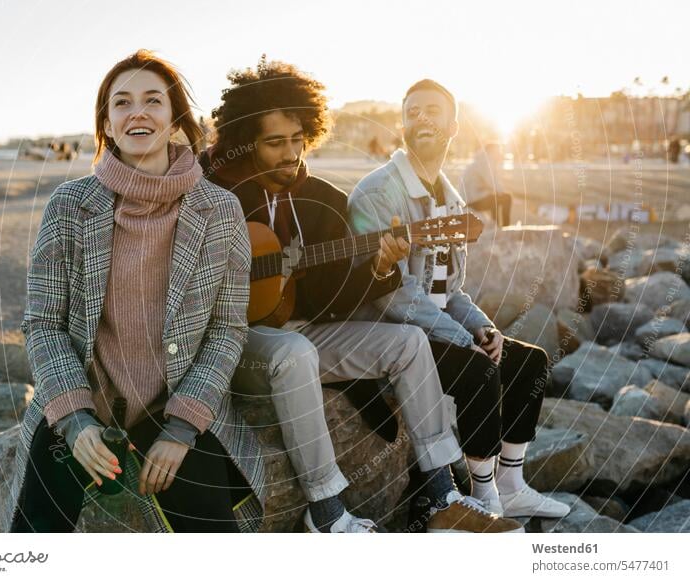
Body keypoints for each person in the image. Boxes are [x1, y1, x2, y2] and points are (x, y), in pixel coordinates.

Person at [202, 58, 522, 533]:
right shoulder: (212, 195)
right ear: (245, 140)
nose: (291, 154)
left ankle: (441, 497)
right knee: (294, 352)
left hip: (305, 334)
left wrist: (379, 264)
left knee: (409, 342)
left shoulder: (324, 200)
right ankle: (327, 512)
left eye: (298, 139)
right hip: (233, 342)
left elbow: (337, 299)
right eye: (275, 143)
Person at [3, 49, 265, 533]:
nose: (137, 112)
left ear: (176, 119)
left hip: (173, 405)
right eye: (121, 103)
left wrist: (184, 427)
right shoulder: (69, 205)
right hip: (83, 400)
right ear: (106, 121)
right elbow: (42, 323)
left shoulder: (220, 210)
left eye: (152, 101)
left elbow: (227, 330)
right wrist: (76, 420)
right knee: (34, 536)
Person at [348, 78, 570, 521]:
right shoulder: (378, 193)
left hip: (433, 325)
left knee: (528, 361)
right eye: (412, 111)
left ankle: (511, 484)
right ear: (403, 124)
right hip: (391, 335)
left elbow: (451, 290)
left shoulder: (450, 198)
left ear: (454, 126)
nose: (421, 118)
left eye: (433, 110)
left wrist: (482, 327)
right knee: (478, 367)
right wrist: (461, 338)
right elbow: (389, 297)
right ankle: (483, 496)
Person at [461, 142, 512, 227]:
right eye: (498, 151)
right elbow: (492, 182)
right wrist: (502, 192)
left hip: (471, 198)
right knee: (507, 198)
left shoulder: (481, 160)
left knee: (495, 197)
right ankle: (504, 226)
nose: (500, 153)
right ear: (491, 151)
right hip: (472, 200)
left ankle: (496, 225)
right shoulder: (486, 161)